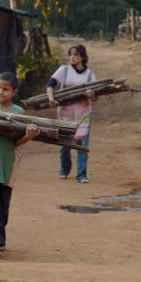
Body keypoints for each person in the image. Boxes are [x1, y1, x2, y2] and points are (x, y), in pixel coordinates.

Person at [0, 72, 39, 260]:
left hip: (7, 165)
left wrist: (29, 136)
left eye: (5, 89)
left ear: (14, 92)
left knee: (3, 208)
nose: (0, 91)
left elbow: (16, 142)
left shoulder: (18, 113)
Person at [46, 44, 97, 183]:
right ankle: (64, 169)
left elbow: (94, 98)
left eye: (75, 54)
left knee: (82, 144)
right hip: (65, 113)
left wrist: (91, 95)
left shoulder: (90, 74)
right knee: (65, 144)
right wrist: (51, 99)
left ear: (82, 57)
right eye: (70, 54)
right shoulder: (64, 70)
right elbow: (50, 84)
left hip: (83, 114)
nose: (72, 57)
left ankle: (81, 175)